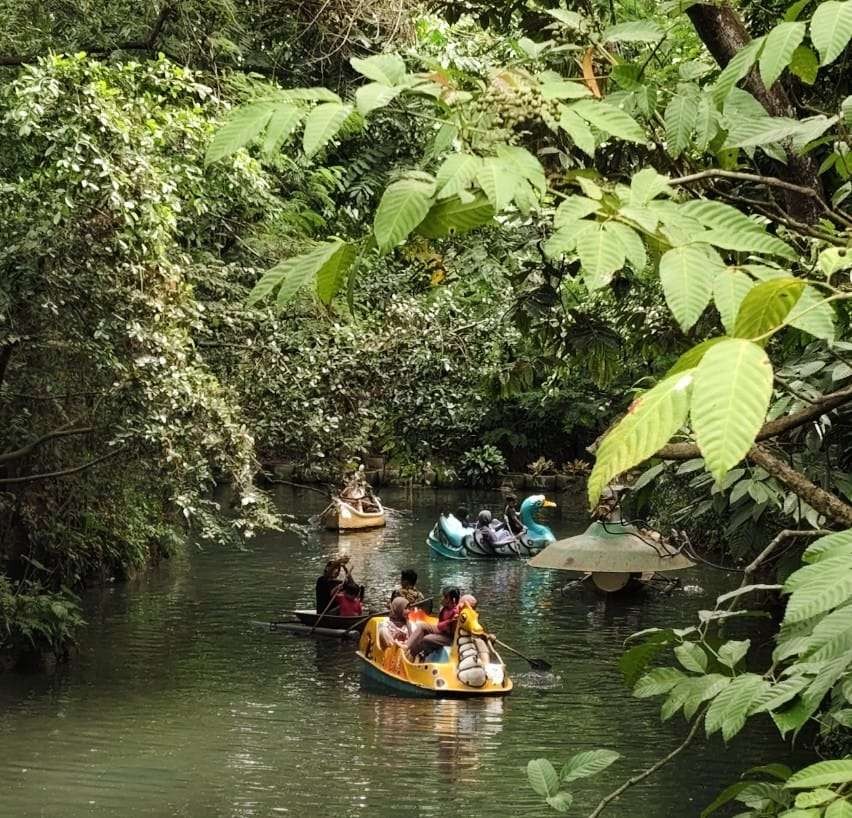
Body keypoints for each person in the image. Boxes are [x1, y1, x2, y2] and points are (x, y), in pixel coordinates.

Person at [406, 587, 460, 660]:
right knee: (421, 626)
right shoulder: (445, 608)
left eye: (444, 597)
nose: (442, 599)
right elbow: (440, 625)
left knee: (426, 638)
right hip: (442, 631)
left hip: (449, 637)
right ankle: (406, 647)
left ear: (451, 600)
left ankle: (415, 655)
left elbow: (441, 627)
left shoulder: (456, 612)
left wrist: (449, 621)